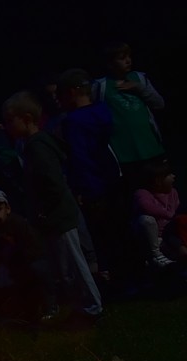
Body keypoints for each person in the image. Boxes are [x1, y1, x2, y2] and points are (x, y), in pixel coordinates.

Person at [2, 91, 103, 321]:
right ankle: (80, 307)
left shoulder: (38, 147)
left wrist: (42, 210)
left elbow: (52, 182)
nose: (7, 126)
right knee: (65, 268)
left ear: (27, 118)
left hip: (59, 215)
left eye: (10, 120)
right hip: (54, 217)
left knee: (76, 265)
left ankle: (93, 307)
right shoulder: (32, 145)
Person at [57, 68, 125, 283]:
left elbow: (80, 157)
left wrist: (82, 188)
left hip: (94, 185)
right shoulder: (104, 111)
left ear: (72, 92)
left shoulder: (74, 122)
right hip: (116, 177)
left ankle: (117, 278)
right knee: (120, 229)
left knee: (104, 235)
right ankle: (132, 274)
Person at [0, 189, 57, 321]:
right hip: (7, 268)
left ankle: (50, 305)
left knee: (38, 270)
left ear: (7, 209)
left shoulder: (19, 224)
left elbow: (35, 250)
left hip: (30, 262)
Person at [92, 41, 166, 189]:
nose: (128, 60)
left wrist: (139, 88)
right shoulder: (100, 85)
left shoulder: (139, 78)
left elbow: (159, 104)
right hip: (123, 154)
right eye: (122, 58)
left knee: (158, 191)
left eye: (129, 56)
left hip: (150, 148)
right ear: (110, 63)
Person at [132, 160, 179, 268]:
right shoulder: (142, 193)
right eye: (169, 174)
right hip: (150, 239)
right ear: (158, 180)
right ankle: (155, 255)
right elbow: (146, 207)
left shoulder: (173, 192)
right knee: (146, 220)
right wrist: (169, 214)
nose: (173, 176)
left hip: (168, 236)